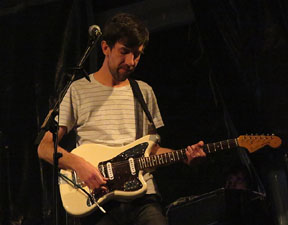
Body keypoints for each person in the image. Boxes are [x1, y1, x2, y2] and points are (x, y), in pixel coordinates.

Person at [38, 12, 206, 225]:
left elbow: (151, 150)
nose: (131, 62)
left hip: (143, 197)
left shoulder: (144, 92)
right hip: (99, 201)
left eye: (137, 55)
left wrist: (184, 156)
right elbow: (44, 147)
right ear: (105, 48)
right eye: (124, 52)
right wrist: (79, 165)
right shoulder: (77, 90)